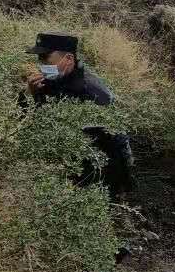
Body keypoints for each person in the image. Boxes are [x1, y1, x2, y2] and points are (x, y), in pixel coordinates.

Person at [25, 32, 134, 193]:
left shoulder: (94, 92)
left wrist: (123, 182)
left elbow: (117, 142)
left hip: (95, 169)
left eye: (45, 57)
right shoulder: (50, 80)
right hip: (59, 163)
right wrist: (29, 93)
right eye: (39, 58)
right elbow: (28, 118)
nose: (41, 63)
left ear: (68, 59)